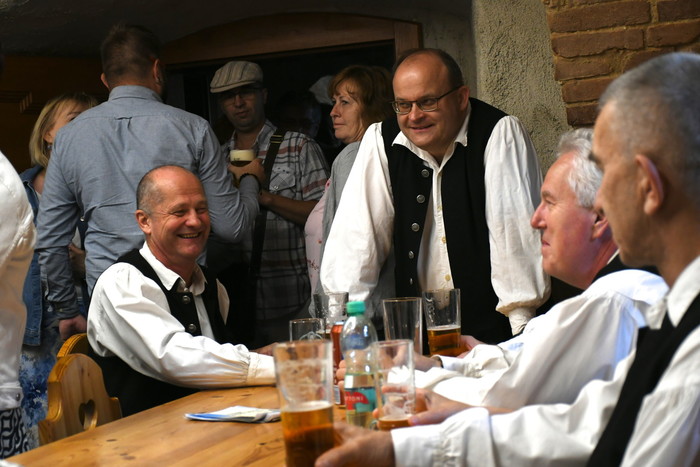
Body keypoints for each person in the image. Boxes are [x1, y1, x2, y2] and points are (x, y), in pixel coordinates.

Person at [315, 52, 700, 467]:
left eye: (606, 173)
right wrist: (414, 429)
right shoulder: (666, 307)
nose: (536, 218)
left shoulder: (625, 300)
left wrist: (408, 399)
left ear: (648, 187)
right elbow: (585, 424)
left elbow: (534, 400)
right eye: (403, 105)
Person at [411, 129, 666, 411]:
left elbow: (505, 398)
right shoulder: (619, 291)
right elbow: (528, 352)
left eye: (550, 203)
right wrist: (438, 364)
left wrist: (403, 379)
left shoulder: (613, 302)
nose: (535, 219)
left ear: (599, 217)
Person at [36, 24, 262, 341]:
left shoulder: (70, 137)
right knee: (195, 373)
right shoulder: (193, 129)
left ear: (105, 80)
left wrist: (67, 310)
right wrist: (251, 179)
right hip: (182, 297)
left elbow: (50, 238)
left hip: (110, 302)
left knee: (119, 376)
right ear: (157, 70)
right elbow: (232, 227)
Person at [321, 48, 547, 342]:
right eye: (403, 105)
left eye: (427, 102)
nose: (414, 116)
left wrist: (521, 338)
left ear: (461, 97)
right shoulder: (380, 140)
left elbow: (515, 242)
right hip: (420, 340)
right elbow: (354, 243)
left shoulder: (498, 133)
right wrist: (343, 328)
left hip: (495, 337)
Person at [88, 165, 275, 417]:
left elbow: (205, 363)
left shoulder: (212, 285)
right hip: (142, 438)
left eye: (202, 209)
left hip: (209, 432)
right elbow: (174, 356)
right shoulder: (122, 283)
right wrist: (279, 367)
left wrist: (259, 355)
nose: (195, 221)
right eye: (179, 211)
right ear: (144, 221)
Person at [209, 60, 328, 346]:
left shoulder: (299, 146)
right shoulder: (214, 157)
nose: (238, 102)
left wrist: (261, 195)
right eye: (228, 96)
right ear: (222, 104)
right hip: (233, 302)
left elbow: (324, 218)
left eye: (246, 92)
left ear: (263, 95)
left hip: (291, 299)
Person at [19, 91, 97, 448]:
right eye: (76, 119)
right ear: (47, 133)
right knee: (38, 437)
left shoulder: (99, 191)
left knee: (88, 431)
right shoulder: (13, 191)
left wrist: (84, 263)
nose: (86, 129)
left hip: (87, 328)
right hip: (30, 335)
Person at [304, 65, 394, 327]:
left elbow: (353, 244)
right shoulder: (372, 153)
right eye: (334, 102)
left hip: (353, 316)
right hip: (365, 312)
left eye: (345, 102)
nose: (333, 112)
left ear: (372, 108)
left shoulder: (355, 155)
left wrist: (336, 317)